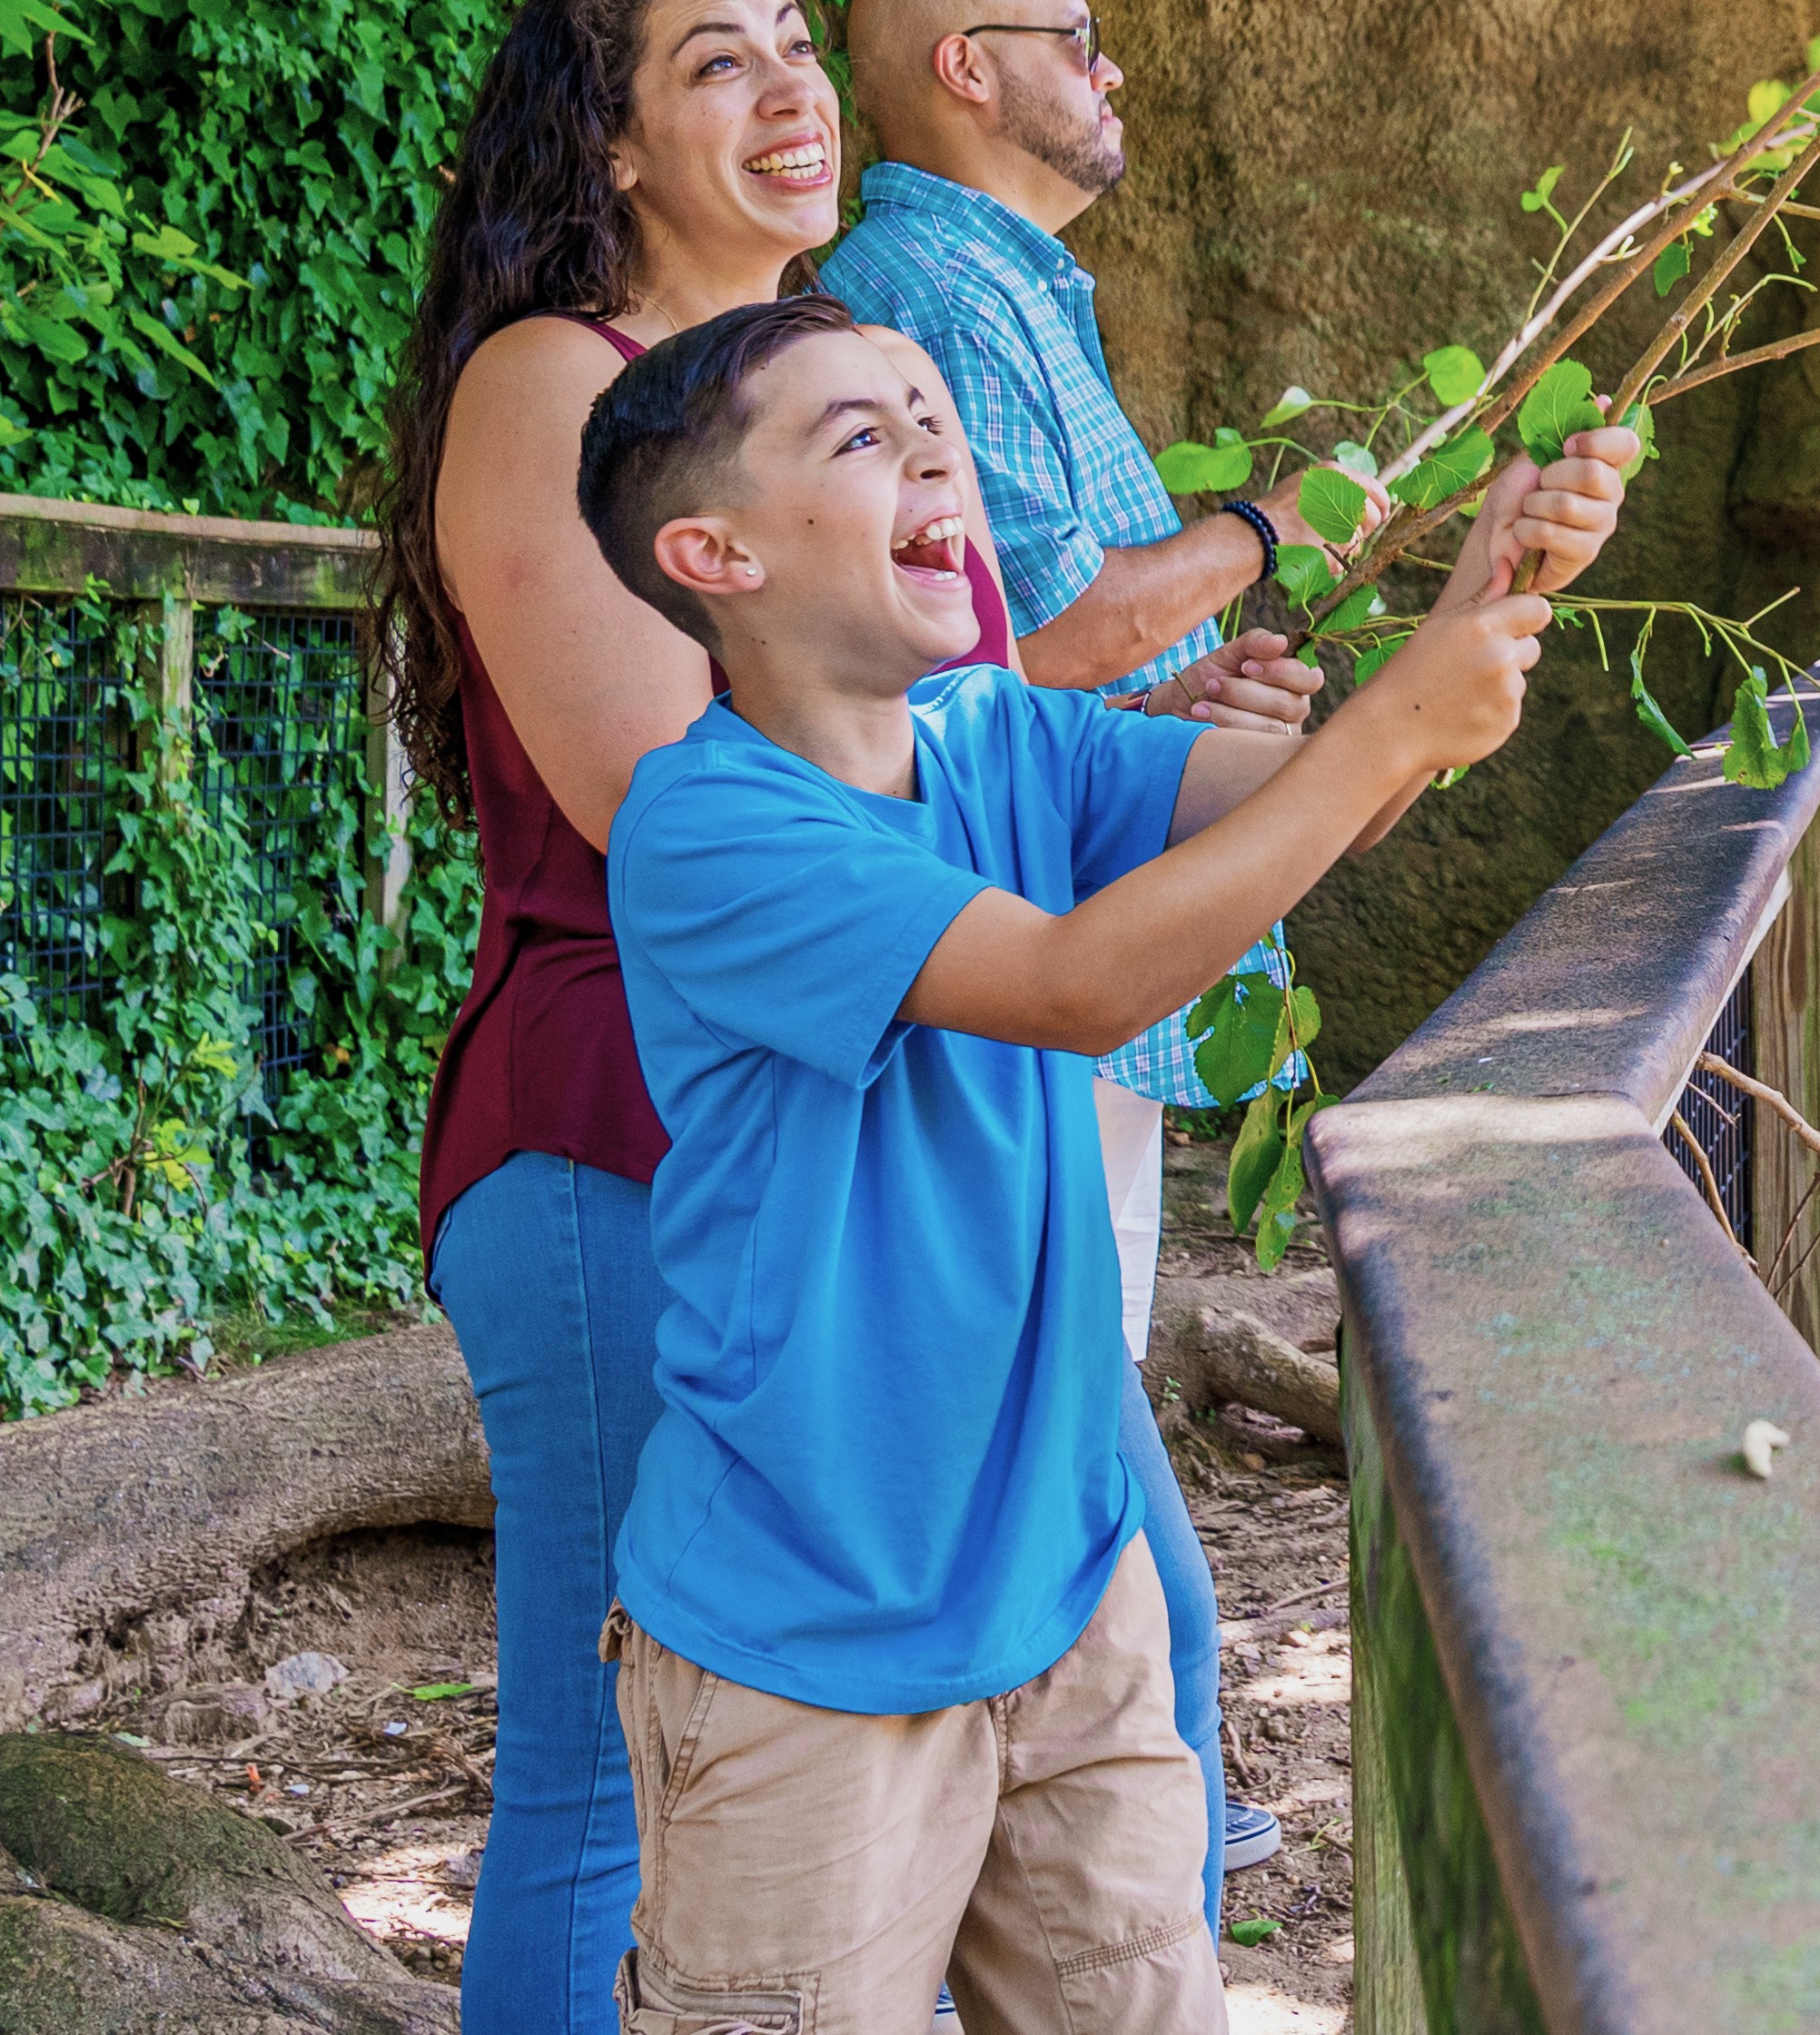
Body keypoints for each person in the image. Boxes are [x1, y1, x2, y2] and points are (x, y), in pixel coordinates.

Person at [380, 0, 1300, 2035]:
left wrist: (1165, 755)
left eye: (801, 44)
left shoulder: (853, 392)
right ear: (606, 147)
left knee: (1133, 1624)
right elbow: (689, 805)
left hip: (929, 1166)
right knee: (607, 1795)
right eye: (720, 62)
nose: (795, 88)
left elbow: (976, 739)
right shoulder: (557, 382)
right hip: (640, 1135)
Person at [573, 298, 1600, 2030]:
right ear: (711, 551)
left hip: (1068, 1586)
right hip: (804, 1642)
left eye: (928, 410)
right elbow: (1081, 982)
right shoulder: (708, 822)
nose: (928, 442)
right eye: (855, 431)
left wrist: (1464, 622)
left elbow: (1309, 806)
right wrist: (1401, 717)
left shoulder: (1003, 731)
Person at [825, 0, 1650, 1885]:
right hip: (1038, 930)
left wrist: (1213, 706)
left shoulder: (1010, 287)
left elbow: (1073, 677)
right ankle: (1122, 1816)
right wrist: (1273, 532)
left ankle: (1140, 1808)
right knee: (1060, 1401)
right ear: (964, 66)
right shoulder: (914, 287)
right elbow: (1047, 628)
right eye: (1078, 44)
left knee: (1085, 1396)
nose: (1113, 74)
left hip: (1102, 867)